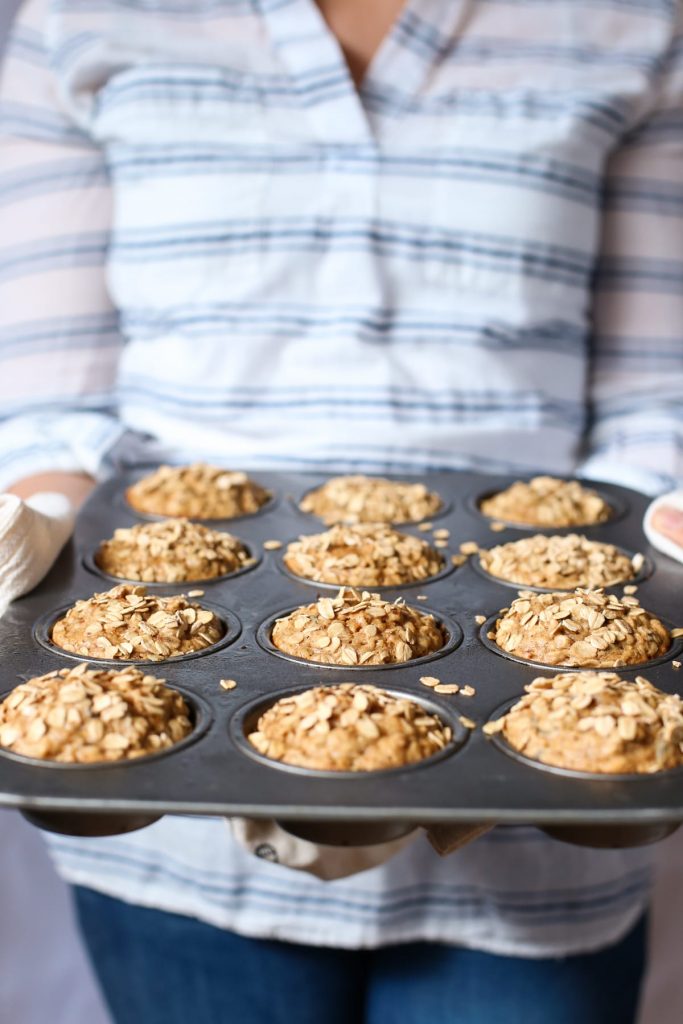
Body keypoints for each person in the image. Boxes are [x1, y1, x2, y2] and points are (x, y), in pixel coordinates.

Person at [1, 0, 683, 1021]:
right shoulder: (79, 14)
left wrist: (655, 525)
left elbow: (652, 407)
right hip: (168, 809)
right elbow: (50, 407)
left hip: (546, 810)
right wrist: (28, 519)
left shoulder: (630, 18)